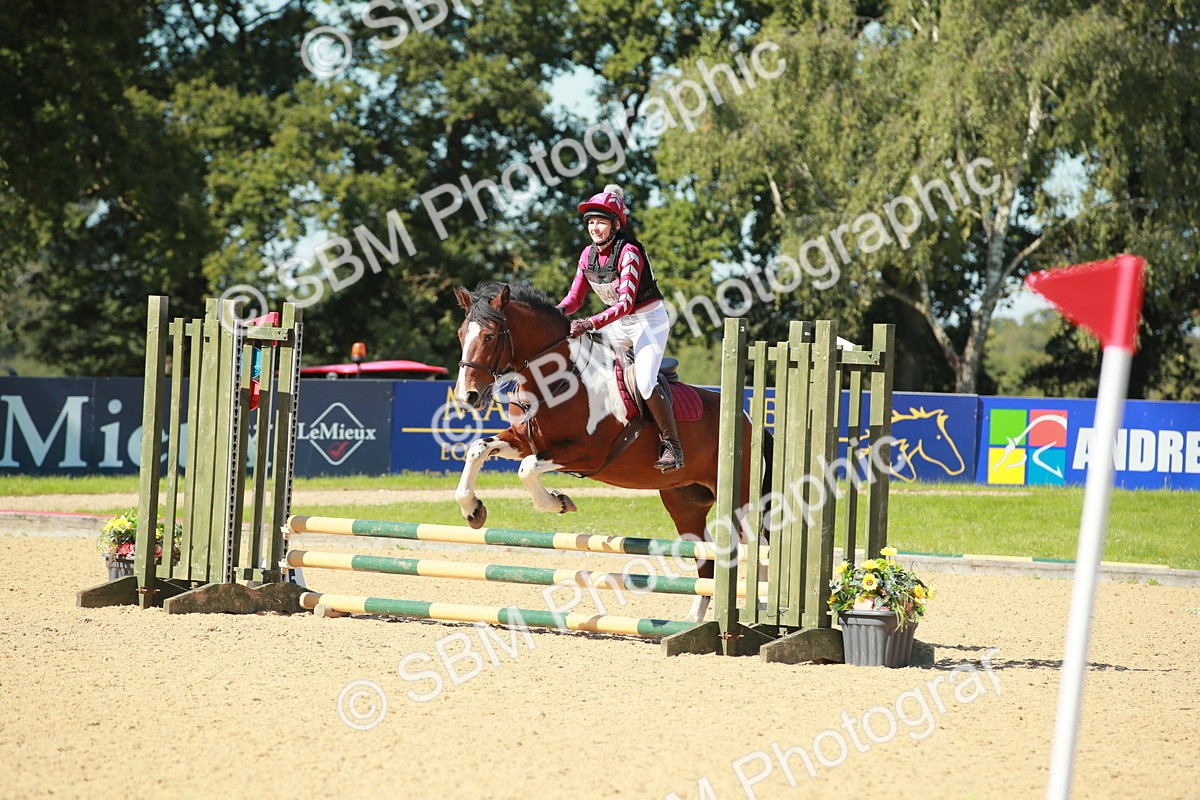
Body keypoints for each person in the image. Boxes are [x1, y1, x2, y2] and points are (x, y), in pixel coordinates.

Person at [556, 184, 684, 472]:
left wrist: (589, 323)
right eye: (590, 221)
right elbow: (575, 299)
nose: (594, 227)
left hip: (647, 323)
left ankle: (673, 447)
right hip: (618, 324)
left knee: (644, 381)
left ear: (615, 224)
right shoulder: (587, 255)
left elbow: (626, 304)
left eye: (600, 221)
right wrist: (554, 315)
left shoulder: (629, 252)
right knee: (578, 358)